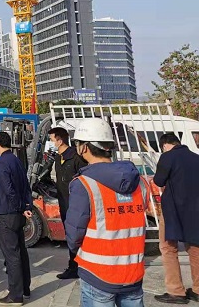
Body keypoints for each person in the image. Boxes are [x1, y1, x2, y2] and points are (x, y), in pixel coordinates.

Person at [65, 118, 148, 307]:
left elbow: (74, 233)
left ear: (84, 147)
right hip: (133, 272)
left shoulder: (84, 184)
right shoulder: (140, 182)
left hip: (97, 274)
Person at [153, 133, 199, 304]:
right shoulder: (196, 158)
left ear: (164, 145)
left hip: (172, 210)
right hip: (195, 210)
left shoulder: (167, 157)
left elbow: (159, 181)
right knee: (195, 248)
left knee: (168, 248)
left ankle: (176, 291)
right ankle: (197, 290)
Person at [0, 131, 33, 306]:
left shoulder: (1, 163)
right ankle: (25, 289)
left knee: (12, 255)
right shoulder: (16, 160)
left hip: (7, 213)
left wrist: (19, 207)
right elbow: (26, 186)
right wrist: (26, 206)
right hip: (17, 213)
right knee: (20, 251)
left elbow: (8, 190)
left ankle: (15, 295)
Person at [48, 127, 87, 280]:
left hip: (76, 204)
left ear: (60, 140)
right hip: (64, 203)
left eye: (51, 140)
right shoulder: (58, 158)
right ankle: (74, 266)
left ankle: (78, 267)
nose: (50, 143)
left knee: (77, 236)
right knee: (70, 236)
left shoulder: (76, 158)